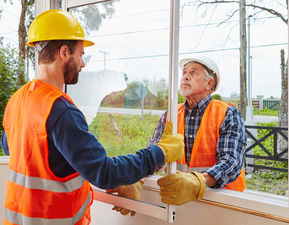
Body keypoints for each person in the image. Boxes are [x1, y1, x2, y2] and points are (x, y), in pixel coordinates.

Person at [1, 9, 184, 224]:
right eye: (80, 55)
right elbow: (104, 172)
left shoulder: (18, 99)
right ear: (64, 52)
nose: (82, 64)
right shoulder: (60, 110)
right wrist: (159, 153)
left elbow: (14, 148)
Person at [148, 55, 247, 205]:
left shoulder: (227, 113)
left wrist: (198, 182)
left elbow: (232, 161)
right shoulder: (170, 115)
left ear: (209, 83)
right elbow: (153, 155)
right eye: (184, 73)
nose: (185, 76)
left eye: (193, 72)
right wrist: (136, 175)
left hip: (221, 202)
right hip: (178, 199)